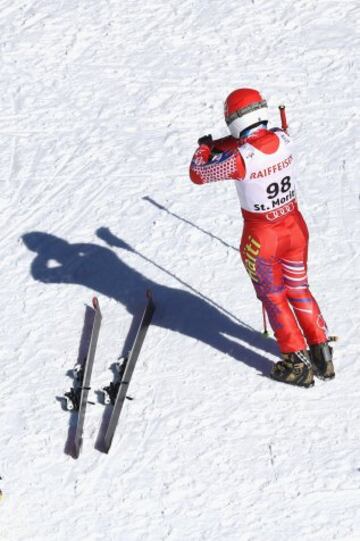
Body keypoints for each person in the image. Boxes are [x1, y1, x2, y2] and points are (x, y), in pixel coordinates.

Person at [189, 88, 335, 387]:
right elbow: (252, 137)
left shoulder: (240, 159)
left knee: (273, 295)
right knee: (299, 288)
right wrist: (221, 143)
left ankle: (297, 360)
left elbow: (198, 173)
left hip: (261, 236)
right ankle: (321, 351)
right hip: (294, 226)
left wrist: (205, 147)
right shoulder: (284, 137)